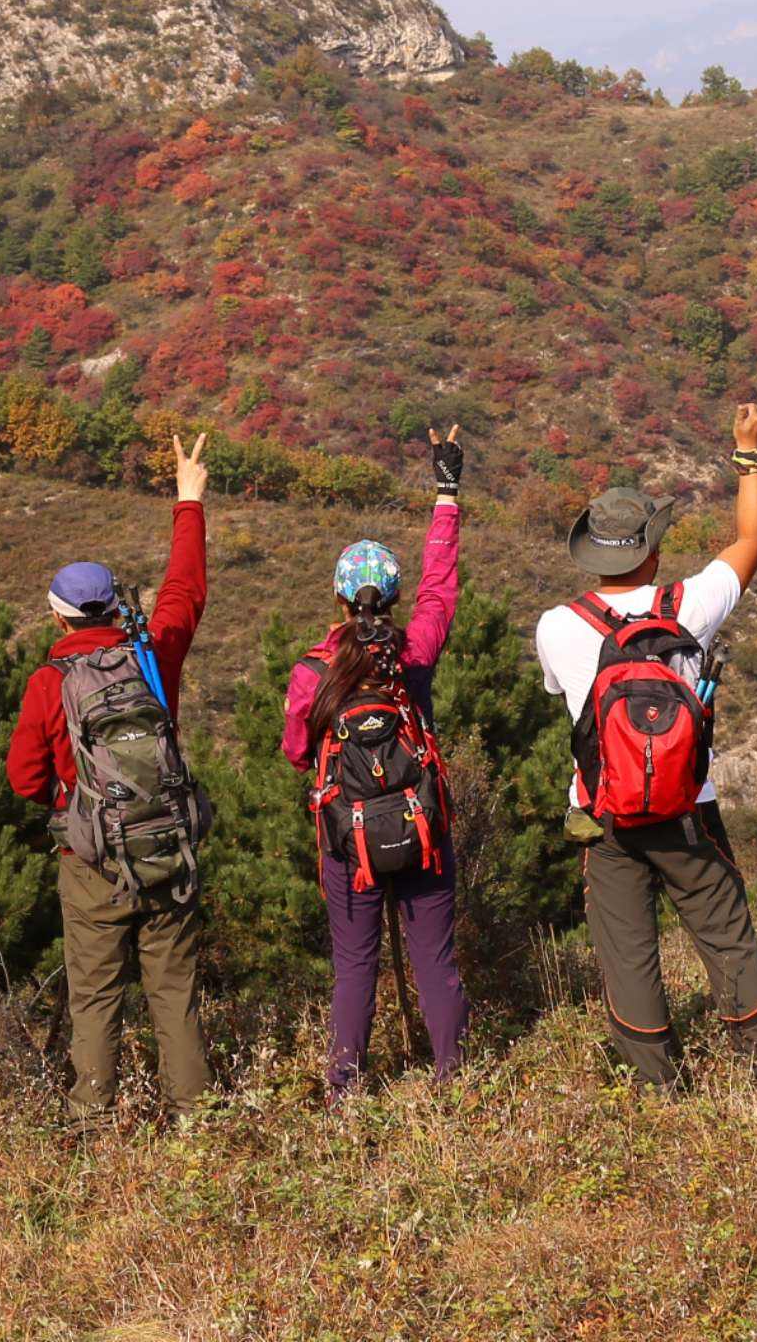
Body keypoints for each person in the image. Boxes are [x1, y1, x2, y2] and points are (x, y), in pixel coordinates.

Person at [531, 403, 757, 1091]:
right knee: (728, 939)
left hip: (605, 818)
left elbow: (562, 699)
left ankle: (656, 1088)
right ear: (652, 550)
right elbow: (753, 539)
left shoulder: (556, 626)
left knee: (627, 954)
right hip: (688, 809)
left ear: (591, 553)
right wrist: (749, 453)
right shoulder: (691, 605)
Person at [5, 433, 216, 1115]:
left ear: (58, 614)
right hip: (167, 849)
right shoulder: (154, 657)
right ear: (115, 610)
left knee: (95, 1001)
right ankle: (197, 1125)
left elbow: (22, 778)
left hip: (91, 859)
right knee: (174, 995)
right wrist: (189, 501)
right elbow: (185, 588)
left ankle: (95, 1129)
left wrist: (72, 805)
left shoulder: (50, 681)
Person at [282, 426, 472, 1099]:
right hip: (423, 832)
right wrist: (446, 495)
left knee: (355, 966)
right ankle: (454, 1081)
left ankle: (344, 1092)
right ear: (390, 600)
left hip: (349, 841)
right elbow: (440, 592)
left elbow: (297, 751)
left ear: (339, 599)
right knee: (435, 960)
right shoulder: (412, 655)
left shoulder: (314, 671)